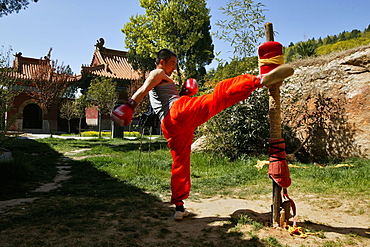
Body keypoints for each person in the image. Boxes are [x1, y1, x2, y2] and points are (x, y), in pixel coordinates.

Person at [111, 48, 294, 220]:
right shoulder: (158, 73)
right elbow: (143, 89)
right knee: (217, 96)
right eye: (172, 63)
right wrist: (130, 104)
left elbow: (160, 98)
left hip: (171, 127)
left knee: (180, 164)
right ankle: (258, 80)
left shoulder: (163, 79)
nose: (175, 66)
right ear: (162, 62)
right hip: (177, 112)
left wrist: (183, 93)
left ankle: (179, 207)